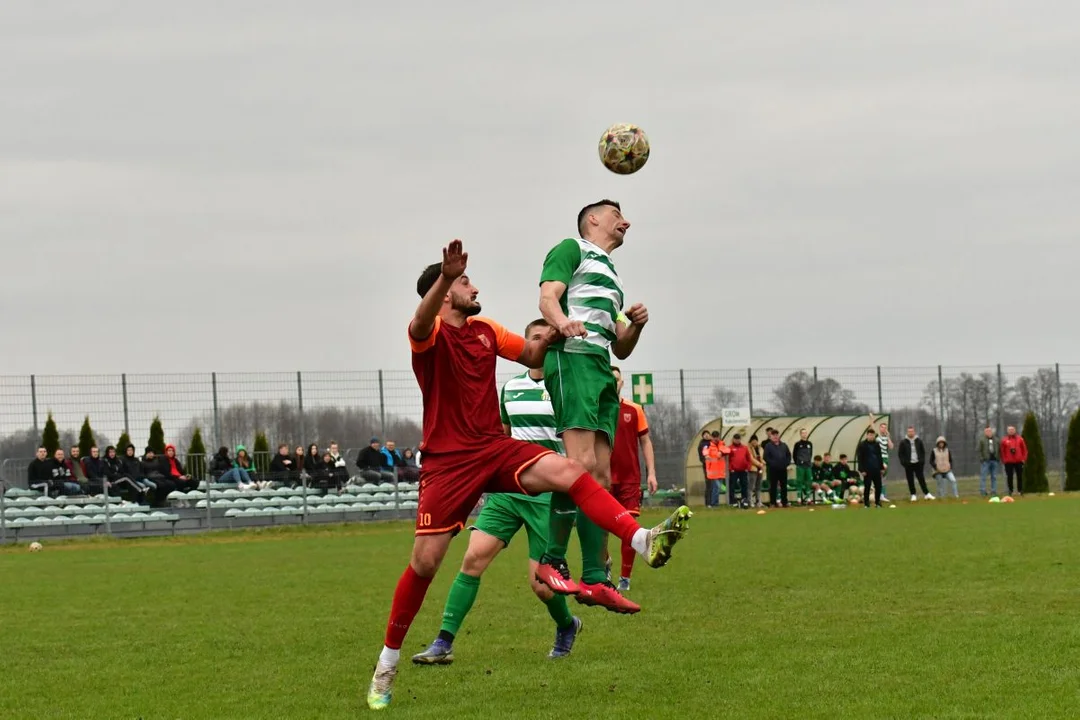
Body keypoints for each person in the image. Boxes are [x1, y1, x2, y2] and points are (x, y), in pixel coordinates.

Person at [366, 240, 691, 710]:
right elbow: (419, 321)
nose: (473, 286)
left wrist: (560, 331)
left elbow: (531, 354)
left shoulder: (484, 330)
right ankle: (387, 663)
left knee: (570, 472)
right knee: (425, 564)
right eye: (464, 282)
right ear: (443, 292)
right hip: (448, 462)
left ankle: (641, 540)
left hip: (493, 448)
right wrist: (444, 276)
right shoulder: (430, 332)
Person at [411, 319, 583, 666]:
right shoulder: (510, 388)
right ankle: (444, 642)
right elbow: (498, 437)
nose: (537, 343)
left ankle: (567, 625)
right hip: (506, 491)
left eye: (542, 338)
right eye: (532, 338)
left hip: (545, 495)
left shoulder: (565, 387)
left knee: (541, 584)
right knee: (472, 560)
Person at [536, 199, 652, 612]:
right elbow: (548, 296)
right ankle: (550, 560)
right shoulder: (571, 247)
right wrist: (560, 321)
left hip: (602, 367)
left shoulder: (611, 277)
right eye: (617, 215)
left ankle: (594, 578)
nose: (627, 222)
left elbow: (622, 346)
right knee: (580, 465)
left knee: (600, 477)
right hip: (574, 359)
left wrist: (634, 325)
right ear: (593, 220)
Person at [606, 366, 658, 592]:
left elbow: (645, 441)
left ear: (622, 382)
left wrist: (652, 472)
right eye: (608, 378)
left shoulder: (634, 409)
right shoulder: (595, 408)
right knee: (599, 529)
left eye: (616, 379)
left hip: (629, 480)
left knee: (629, 529)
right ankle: (604, 562)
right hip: (603, 479)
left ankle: (624, 579)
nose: (613, 382)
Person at [897, 427, 935, 502]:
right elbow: (900, 454)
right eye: (909, 431)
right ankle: (913, 495)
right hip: (908, 464)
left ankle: (927, 494)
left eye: (912, 431)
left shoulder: (919, 441)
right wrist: (904, 463)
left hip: (918, 464)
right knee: (910, 480)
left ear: (914, 432)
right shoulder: (903, 442)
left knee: (921, 479)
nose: (910, 433)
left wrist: (922, 461)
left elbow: (923, 452)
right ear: (907, 432)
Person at [763, 429, 791, 508]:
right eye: (773, 435)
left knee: (784, 486)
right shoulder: (768, 446)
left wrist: (786, 463)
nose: (775, 436)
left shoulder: (784, 445)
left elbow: (788, 455)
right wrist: (773, 464)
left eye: (776, 435)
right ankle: (772, 502)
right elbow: (766, 457)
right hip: (773, 469)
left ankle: (785, 502)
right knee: (773, 486)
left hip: (783, 469)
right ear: (771, 436)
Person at [857, 428, 885, 508]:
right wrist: (861, 470)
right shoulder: (862, 445)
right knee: (867, 487)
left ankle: (877, 502)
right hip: (867, 470)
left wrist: (881, 468)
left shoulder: (877, 444)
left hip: (876, 469)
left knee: (878, 486)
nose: (871, 437)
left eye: (872, 435)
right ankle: (866, 503)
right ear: (867, 435)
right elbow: (860, 458)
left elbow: (879, 457)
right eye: (870, 435)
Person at [703, 431, 730, 508]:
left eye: (717, 437)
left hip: (720, 471)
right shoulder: (708, 445)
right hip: (712, 471)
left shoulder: (722, 444)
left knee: (717, 488)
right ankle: (714, 503)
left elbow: (728, 450)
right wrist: (706, 455)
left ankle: (714, 503)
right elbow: (704, 451)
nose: (716, 439)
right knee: (716, 488)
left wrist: (721, 452)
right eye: (714, 437)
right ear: (712, 437)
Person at [727, 433, 752, 509]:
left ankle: (744, 500)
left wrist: (748, 467)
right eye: (735, 439)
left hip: (743, 470)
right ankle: (732, 501)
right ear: (733, 439)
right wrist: (731, 469)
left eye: (738, 439)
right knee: (732, 486)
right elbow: (728, 460)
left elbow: (748, 458)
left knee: (744, 485)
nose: (737, 440)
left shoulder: (744, 448)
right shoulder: (730, 448)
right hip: (734, 471)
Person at [1000, 425, 1028, 496]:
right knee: (1009, 476)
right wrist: (1004, 460)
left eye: (1012, 429)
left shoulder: (1020, 439)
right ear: (1007, 431)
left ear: (1015, 430)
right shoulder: (1004, 440)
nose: (1011, 431)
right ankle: (1010, 490)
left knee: (1020, 476)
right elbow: (1002, 451)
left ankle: (1020, 490)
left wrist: (1023, 459)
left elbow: (1024, 450)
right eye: (1009, 430)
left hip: (1019, 461)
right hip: (1008, 462)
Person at [792, 428, 813, 505]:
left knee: (808, 482)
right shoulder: (797, 444)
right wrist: (797, 463)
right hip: (800, 466)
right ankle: (799, 499)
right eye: (803, 433)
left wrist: (808, 461)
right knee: (799, 481)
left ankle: (808, 498)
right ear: (800, 434)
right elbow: (794, 455)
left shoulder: (810, 443)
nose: (804, 434)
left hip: (808, 466)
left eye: (805, 433)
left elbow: (810, 454)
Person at [978, 427, 1000, 496]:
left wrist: (998, 458)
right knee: (983, 476)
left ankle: (994, 491)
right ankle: (983, 491)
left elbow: (999, 449)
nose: (989, 433)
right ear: (985, 432)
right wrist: (982, 458)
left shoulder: (996, 440)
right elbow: (979, 450)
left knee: (994, 477)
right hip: (985, 461)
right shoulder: (982, 440)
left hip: (994, 460)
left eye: (990, 431)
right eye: (987, 431)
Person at [747, 434, 765, 508]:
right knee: (751, 486)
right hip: (752, 469)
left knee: (758, 486)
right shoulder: (748, 448)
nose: (755, 442)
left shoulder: (760, 448)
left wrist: (763, 462)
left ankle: (758, 501)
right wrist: (759, 464)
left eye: (756, 441)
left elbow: (761, 457)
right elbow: (751, 459)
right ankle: (750, 501)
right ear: (751, 441)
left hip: (760, 469)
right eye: (753, 441)